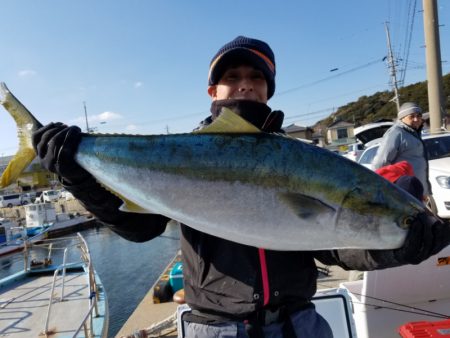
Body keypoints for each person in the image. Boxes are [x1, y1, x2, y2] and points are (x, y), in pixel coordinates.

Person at [32, 36, 450, 338]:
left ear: (269, 89)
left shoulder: (300, 158)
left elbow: (334, 244)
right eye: (233, 76)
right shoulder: (183, 153)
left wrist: (397, 246)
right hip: (215, 327)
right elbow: (139, 229)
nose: (245, 83)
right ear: (213, 91)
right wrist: (77, 174)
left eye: (257, 76)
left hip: (298, 323)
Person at [372, 102, 431, 200]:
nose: (416, 119)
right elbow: (380, 163)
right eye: (411, 116)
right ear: (402, 118)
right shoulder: (396, 133)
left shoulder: (413, 133)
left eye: (418, 116)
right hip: (404, 193)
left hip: (416, 192)